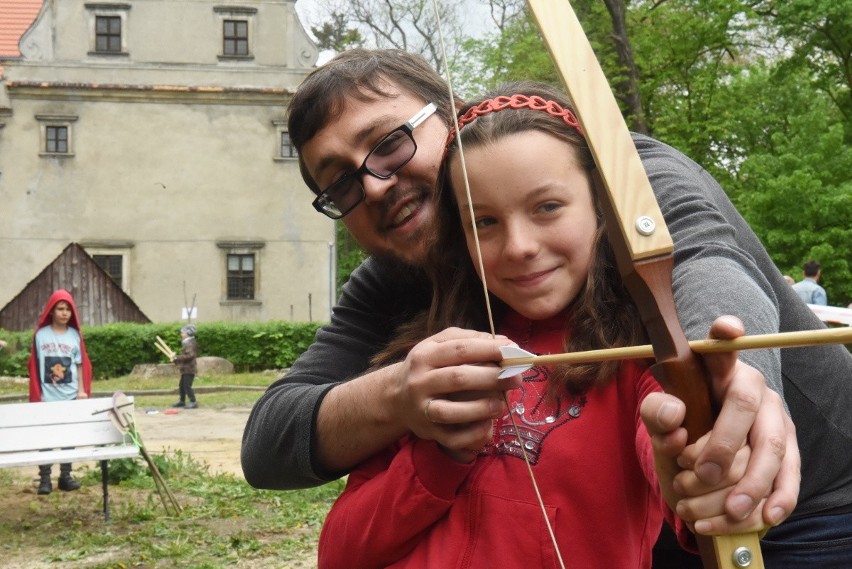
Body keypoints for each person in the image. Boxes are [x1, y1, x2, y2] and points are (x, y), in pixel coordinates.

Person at [242, 48, 852, 564]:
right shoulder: (394, 276)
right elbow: (269, 442)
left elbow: (700, 258)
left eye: (390, 143)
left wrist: (721, 399)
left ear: (457, 118)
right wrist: (399, 395)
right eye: (341, 183)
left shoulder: (613, 166)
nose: (373, 184)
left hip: (816, 508)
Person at [316, 82, 766, 568]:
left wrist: (702, 469)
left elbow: (684, 477)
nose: (519, 247)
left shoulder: (638, 358)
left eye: (547, 207)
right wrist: (438, 458)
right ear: (458, 237)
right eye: (483, 222)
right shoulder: (431, 363)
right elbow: (340, 552)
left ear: (600, 209)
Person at [28, 289, 92, 495]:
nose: (64, 313)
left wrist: (82, 390)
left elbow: (80, 364)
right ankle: (45, 479)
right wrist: (37, 393)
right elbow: (35, 365)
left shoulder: (75, 336)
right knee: (46, 438)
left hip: (70, 395)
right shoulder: (40, 335)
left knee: (68, 437)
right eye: (60, 309)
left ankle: (65, 476)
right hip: (47, 397)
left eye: (68, 310)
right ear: (52, 311)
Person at [171, 325, 198, 409]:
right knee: (181, 385)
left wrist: (177, 357)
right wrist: (175, 359)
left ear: (188, 333)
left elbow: (190, 355)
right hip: (185, 369)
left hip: (189, 369)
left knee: (186, 385)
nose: (181, 334)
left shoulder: (190, 343)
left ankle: (193, 401)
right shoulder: (187, 343)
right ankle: (182, 401)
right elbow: (185, 356)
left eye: (182, 332)